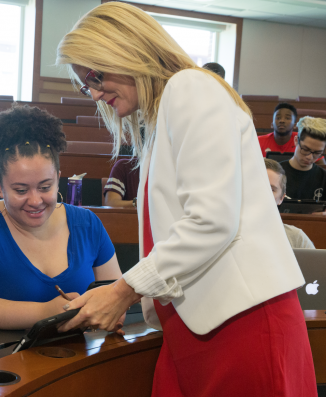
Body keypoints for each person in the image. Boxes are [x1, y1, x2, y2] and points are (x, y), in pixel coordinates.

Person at [56, 3, 316, 396]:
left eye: (95, 75)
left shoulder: (189, 87)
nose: (92, 92)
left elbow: (211, 221)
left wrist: (123, 290)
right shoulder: (161, 116)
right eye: (84, 84)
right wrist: (114, 295)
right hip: (198, 324)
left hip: (239, 319)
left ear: (127, 50)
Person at [0, 105, 123, 330]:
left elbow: (116, 294)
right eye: (21, 190)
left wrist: (113, 310)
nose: (35, 201)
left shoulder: (87, 224)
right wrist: (45, 313)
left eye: (45, 187)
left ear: (58, 179)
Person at [264, 158, 315, 248]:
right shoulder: (231, 232)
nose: (263, 192)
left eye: (271, 189)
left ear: (281, 198)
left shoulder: (297, 238)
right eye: (258, 186)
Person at [280, 116, 326, 201]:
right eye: (305, 149)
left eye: (317, 153)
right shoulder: (275, 172)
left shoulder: (323, 178)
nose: (309, 157)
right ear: (296, 140)